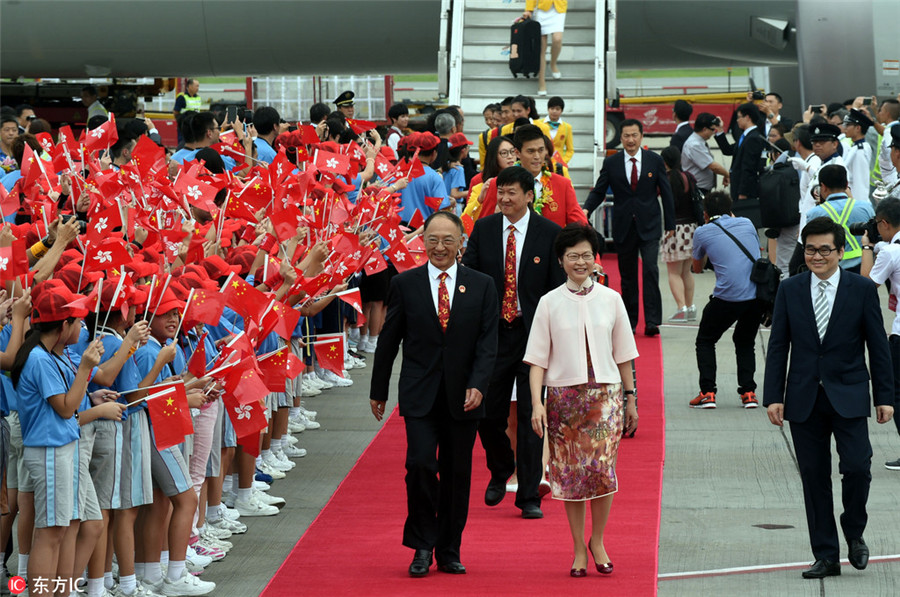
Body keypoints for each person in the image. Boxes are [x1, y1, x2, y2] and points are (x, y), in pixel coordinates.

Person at [369, 211, 498, 578]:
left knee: (457, 473)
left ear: (461, 244)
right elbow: (389, 340)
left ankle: (449, 548)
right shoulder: (405, 284)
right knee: (420, 465)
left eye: (448, 240)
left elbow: (488, 343)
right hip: (419, 393)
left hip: (465, 395)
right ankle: (422, 545)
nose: (439, 247)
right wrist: (378, 390)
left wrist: (479, 383)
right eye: (432, 240)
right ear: (422, 241)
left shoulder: (482, 285)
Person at [764, 216, 893, 579]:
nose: (816, 256)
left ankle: (853, 529)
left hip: (849, 394)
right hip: (804, 397)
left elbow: (877, 346)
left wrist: (885, 395)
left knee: (857, 467)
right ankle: (825, 554)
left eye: (824, 249)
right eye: (810, 249)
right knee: (814, 477)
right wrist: (774, 395)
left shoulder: (861, 289)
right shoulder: (790, 290)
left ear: (840, 252)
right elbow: (778, 347)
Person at [525, 223, 638, 577]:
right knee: (571, 477)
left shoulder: (612, 299)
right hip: (564, 401)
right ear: (561, 261)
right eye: (573, 256)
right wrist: (537, 404)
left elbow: (624, 355)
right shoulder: (549, 302)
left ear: (595, 259)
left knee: (602, 474)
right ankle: (577, 548)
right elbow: (537, 361)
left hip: (606, 399)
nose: (580, 262)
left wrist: (630, 398)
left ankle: (598, 540)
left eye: (586, 255)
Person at [462, 165, 564, 520]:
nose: (504, 198)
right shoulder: (485, 229)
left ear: (529, 196)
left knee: (531, 416)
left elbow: (556, 289)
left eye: (512, 192)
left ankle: (528, 495)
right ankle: (501, 466)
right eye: (500, 192)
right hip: (493, 335)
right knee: (486, 412)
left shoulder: (549, 233)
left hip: (533, 334)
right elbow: (470, 278)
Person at [585, 118, 675, 335]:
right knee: (627, 277)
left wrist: (670, 224)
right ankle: (630, 322)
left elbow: (666, 192)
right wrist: (586, 209)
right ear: (621, 138)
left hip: (650, 224)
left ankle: (652, 321)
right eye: (626, 136)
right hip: (624, 225)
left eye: (634, 135)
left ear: (641, 136)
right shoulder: (612, 163)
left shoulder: (654, 160)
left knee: (651, 271)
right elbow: (599, 190)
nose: (630, 140)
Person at [689, 191, 762, 409]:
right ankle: (748, 393)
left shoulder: (702, 232)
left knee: (705, 339)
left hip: (727, 297)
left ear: (705, 214)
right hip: (755, 295)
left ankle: (708, 392)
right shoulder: (747, 223)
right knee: (745, 341)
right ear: (731, 210)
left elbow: (697, 267)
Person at [860, 197, 900, 471]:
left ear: (884, 223)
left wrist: (866, 247)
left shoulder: (889, 252)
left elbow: (864, 286)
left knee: (896, 393)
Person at [803, 164, 873, 274]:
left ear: (823, 187)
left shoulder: (814, 213)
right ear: (846, 184)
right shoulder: (866, 207)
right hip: (863, 267)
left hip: (830, 270)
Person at [659, 146, 697, 323]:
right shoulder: (688, 177)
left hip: (674, 229)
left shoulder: (665, 180)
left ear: (664, 161)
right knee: (686, 272)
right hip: (691, 228)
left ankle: (681, 307)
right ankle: (690, 307)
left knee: (673, 273)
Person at [714, 102, 766, 201]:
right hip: (737, 187)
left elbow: (748, 167)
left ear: (747, 117)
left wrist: (743, 192)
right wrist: (720, 130)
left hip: (744, 191)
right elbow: (728, 150)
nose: (737, 121)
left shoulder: (753, 138)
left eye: (738, 117)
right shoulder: (745, 136)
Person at [463, 135, 517, 220]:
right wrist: (480, 199)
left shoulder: (522, 177)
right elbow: (466, 220)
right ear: (494, 156)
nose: (510, 156)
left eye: (512, 151)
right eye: (504, 153)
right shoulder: (479, 180)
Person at [522, 0, 567, 96]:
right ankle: (541, 82)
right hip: (541, 8)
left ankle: (553, 64)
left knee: (557, 39)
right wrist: (529, 9)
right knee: (542, 47)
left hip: (558, 8)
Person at [681, 112, 730, 194]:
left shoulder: (698, 141)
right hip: (697, 190)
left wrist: (719, 126)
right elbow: (714, 167)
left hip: (701, 189)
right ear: (704, 129)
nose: (714, 132)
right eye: (713, 129)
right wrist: (727, 174)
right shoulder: (694, 145)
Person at [842, 108, 875, 202]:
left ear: (858, 128)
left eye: (848, 125)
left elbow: (861, 183)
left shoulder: (860, 150)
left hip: (856, 200)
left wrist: (858, 205)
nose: (845, 128)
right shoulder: (856, 147)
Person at [540, 96, 574, 165]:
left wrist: (563, 162)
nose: (554, 111)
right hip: (542, 162)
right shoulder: (540, 124)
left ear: (561, 111)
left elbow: (570, 150)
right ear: (548, 109)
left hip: (558, 164)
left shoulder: (567, 127)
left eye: (557, 109)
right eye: (552, 108)